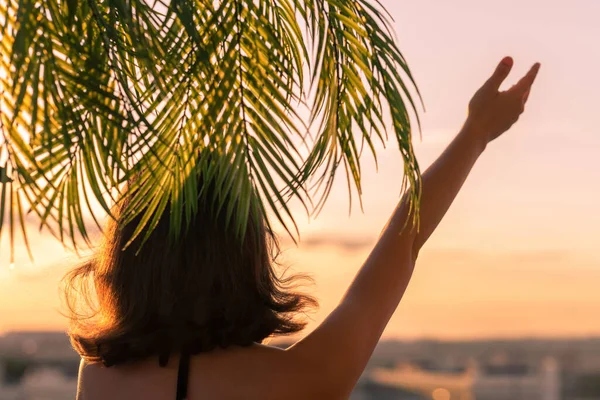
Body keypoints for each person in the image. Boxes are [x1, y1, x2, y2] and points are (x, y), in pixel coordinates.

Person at [66, 56, 540, 399]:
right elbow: (406, 240)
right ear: (244, 257)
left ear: (128, 257)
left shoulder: (101, 379)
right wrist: (474, 135)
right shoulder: (306, 377)